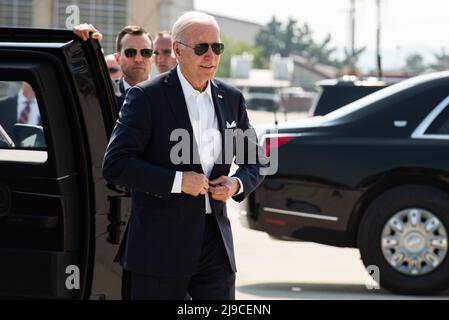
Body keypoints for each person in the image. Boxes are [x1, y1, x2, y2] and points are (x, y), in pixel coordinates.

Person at [102, 11, 265, 300]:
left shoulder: (231, 98)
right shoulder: (145, 97)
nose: (210, 56)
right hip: (159, 250)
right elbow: (116, 165)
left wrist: (236, 184)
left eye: (217, 47)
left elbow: (255, 160)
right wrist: (178, 181)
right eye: (201, 48)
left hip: (215, 247)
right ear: (177, 50)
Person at [73, 24, 154, 111]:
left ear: (152, 59)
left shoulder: (167, 94)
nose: (138, 59)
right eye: (130, 52)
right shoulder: (104, 93)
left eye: (146, 52)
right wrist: (86, 43)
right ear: (117, 58)